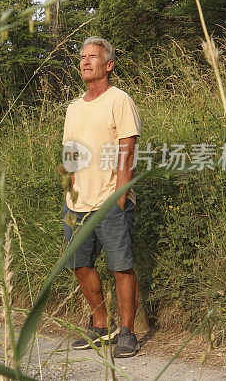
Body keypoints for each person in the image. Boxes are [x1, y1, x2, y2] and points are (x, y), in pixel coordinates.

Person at [61, 36, 141, 358]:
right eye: (82, 57)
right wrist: (69, 194)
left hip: (111, 200)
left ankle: (127, 332)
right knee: (80, 266)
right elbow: (70, 154)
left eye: (92, 57)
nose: (85, 61)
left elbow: (127, 150)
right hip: (76, 203)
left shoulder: (119, 100)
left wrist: (119, 198)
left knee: (121, 267)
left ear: (108, 65)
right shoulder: (73, 107)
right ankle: (100, 325)